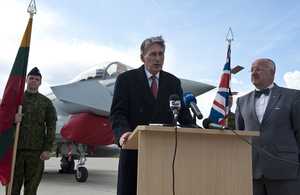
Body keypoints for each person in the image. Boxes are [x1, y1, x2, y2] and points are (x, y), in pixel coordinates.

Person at [109, 36, 193, 195]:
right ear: (142, 57)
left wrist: (196, 133)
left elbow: (183, 114)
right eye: (153, 54)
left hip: (165, 153)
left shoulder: (173, 82)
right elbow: (117, 113)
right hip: (135, 150)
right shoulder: (126, 80)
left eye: (161, 54)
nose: (158, 58)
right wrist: (123, 133)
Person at [235, 58, 300, 195]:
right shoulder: (241, 101)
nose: (254, 73)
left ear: (272, 73)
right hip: (252, 173)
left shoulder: (293, 96)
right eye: (252, 70)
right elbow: (240, 135)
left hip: (285, 171)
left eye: (258, 69)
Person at [6, 67, 57, 195]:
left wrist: (47, 149)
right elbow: (2, 120)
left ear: (40, 82)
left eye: (37, 79)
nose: (34, 81)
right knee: (12, 188)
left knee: (31, 189)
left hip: (36, 153)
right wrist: (12, 119)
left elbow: (51, 127)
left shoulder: (46, 103)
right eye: (31, 78)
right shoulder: (15, 100)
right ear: (26, 80)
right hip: (15, 150)